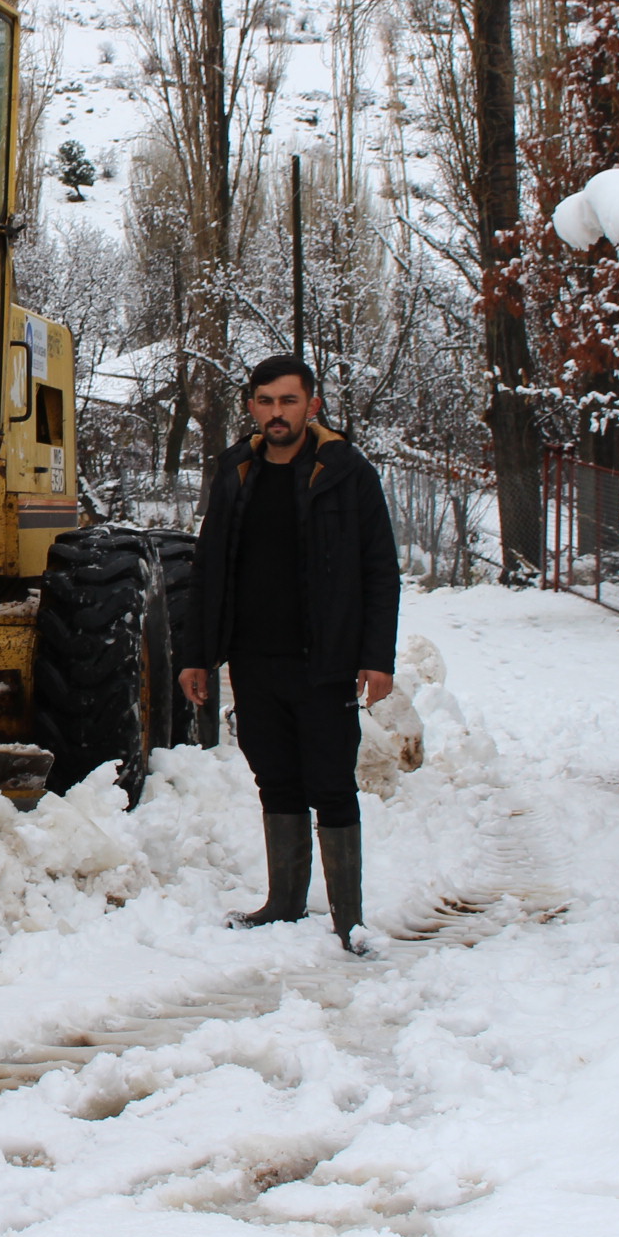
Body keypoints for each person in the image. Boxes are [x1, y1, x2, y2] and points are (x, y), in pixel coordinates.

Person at [179, 354, 401, 952]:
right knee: (274, 777)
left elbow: (380, 570)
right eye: (266, 401)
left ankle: (348, 917)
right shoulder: (237, 472)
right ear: (252, 407)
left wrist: (378, 657)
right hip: (253, 658)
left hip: (324, 659)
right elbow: (208, 570)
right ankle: (283, 901)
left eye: (289, 401)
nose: (277, 413)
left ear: (312, 406)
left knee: (329, 781)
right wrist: (196, 654)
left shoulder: (346, 473)